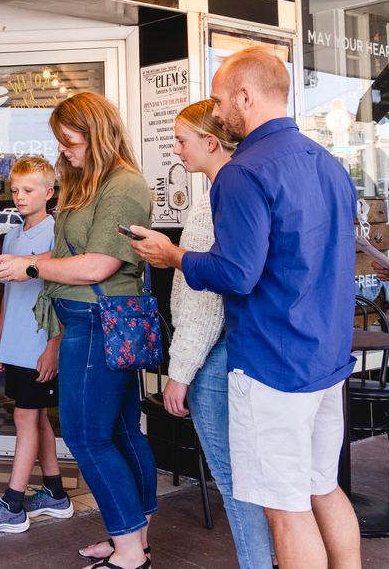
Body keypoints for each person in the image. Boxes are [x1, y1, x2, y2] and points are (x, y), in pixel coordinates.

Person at [129, 46, 360, 569]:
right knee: (323, 489)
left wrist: (174, 255)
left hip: (273, 365)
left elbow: (236, 274)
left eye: (218, 97)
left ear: (246, 96)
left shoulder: (243, 172)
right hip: (327, 361)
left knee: (286, 510)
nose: (216, 109)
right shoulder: (327, 163)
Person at [0, 92, 155, 569]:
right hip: (92, 320)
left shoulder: (122, 185)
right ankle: (135, 540)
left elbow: (98, 265)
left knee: (86, 438)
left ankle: (129, 553)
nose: (63, 151)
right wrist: (28, 265)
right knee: (121, 433)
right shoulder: (92, 181)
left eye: (69, 140)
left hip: (98, 322)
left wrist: (30, 268)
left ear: (96, 132)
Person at [163, 100, 275, 569]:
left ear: (211, 143)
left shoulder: (218, 197)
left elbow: (206, 301)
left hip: (213, 356)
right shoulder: (233, 188)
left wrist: (180, 371)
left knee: (233, 481)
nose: (176, 149)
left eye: (182, 140)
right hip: (244, 350)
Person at [0, 156, 72, 535]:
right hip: (17, 343)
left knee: (25, 417)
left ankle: (12, 505)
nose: (20, 197)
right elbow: (5, 296)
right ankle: (55, 492)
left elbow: (60, 295)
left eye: (28, 190)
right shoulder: (11, 237)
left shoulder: (57, 236)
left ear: (49, 192)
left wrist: (54, 347)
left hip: (41, 344)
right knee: (35, 416)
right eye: (14, 190)